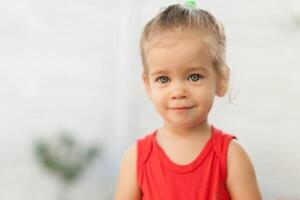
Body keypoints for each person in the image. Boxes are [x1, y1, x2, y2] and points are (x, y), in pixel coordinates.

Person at [114, 1, 262, 199]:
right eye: (163, 79)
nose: (178, 92)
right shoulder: (135, 159)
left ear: (221, 79)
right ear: (148, 85)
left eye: (194, 77)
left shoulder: (232, 157)